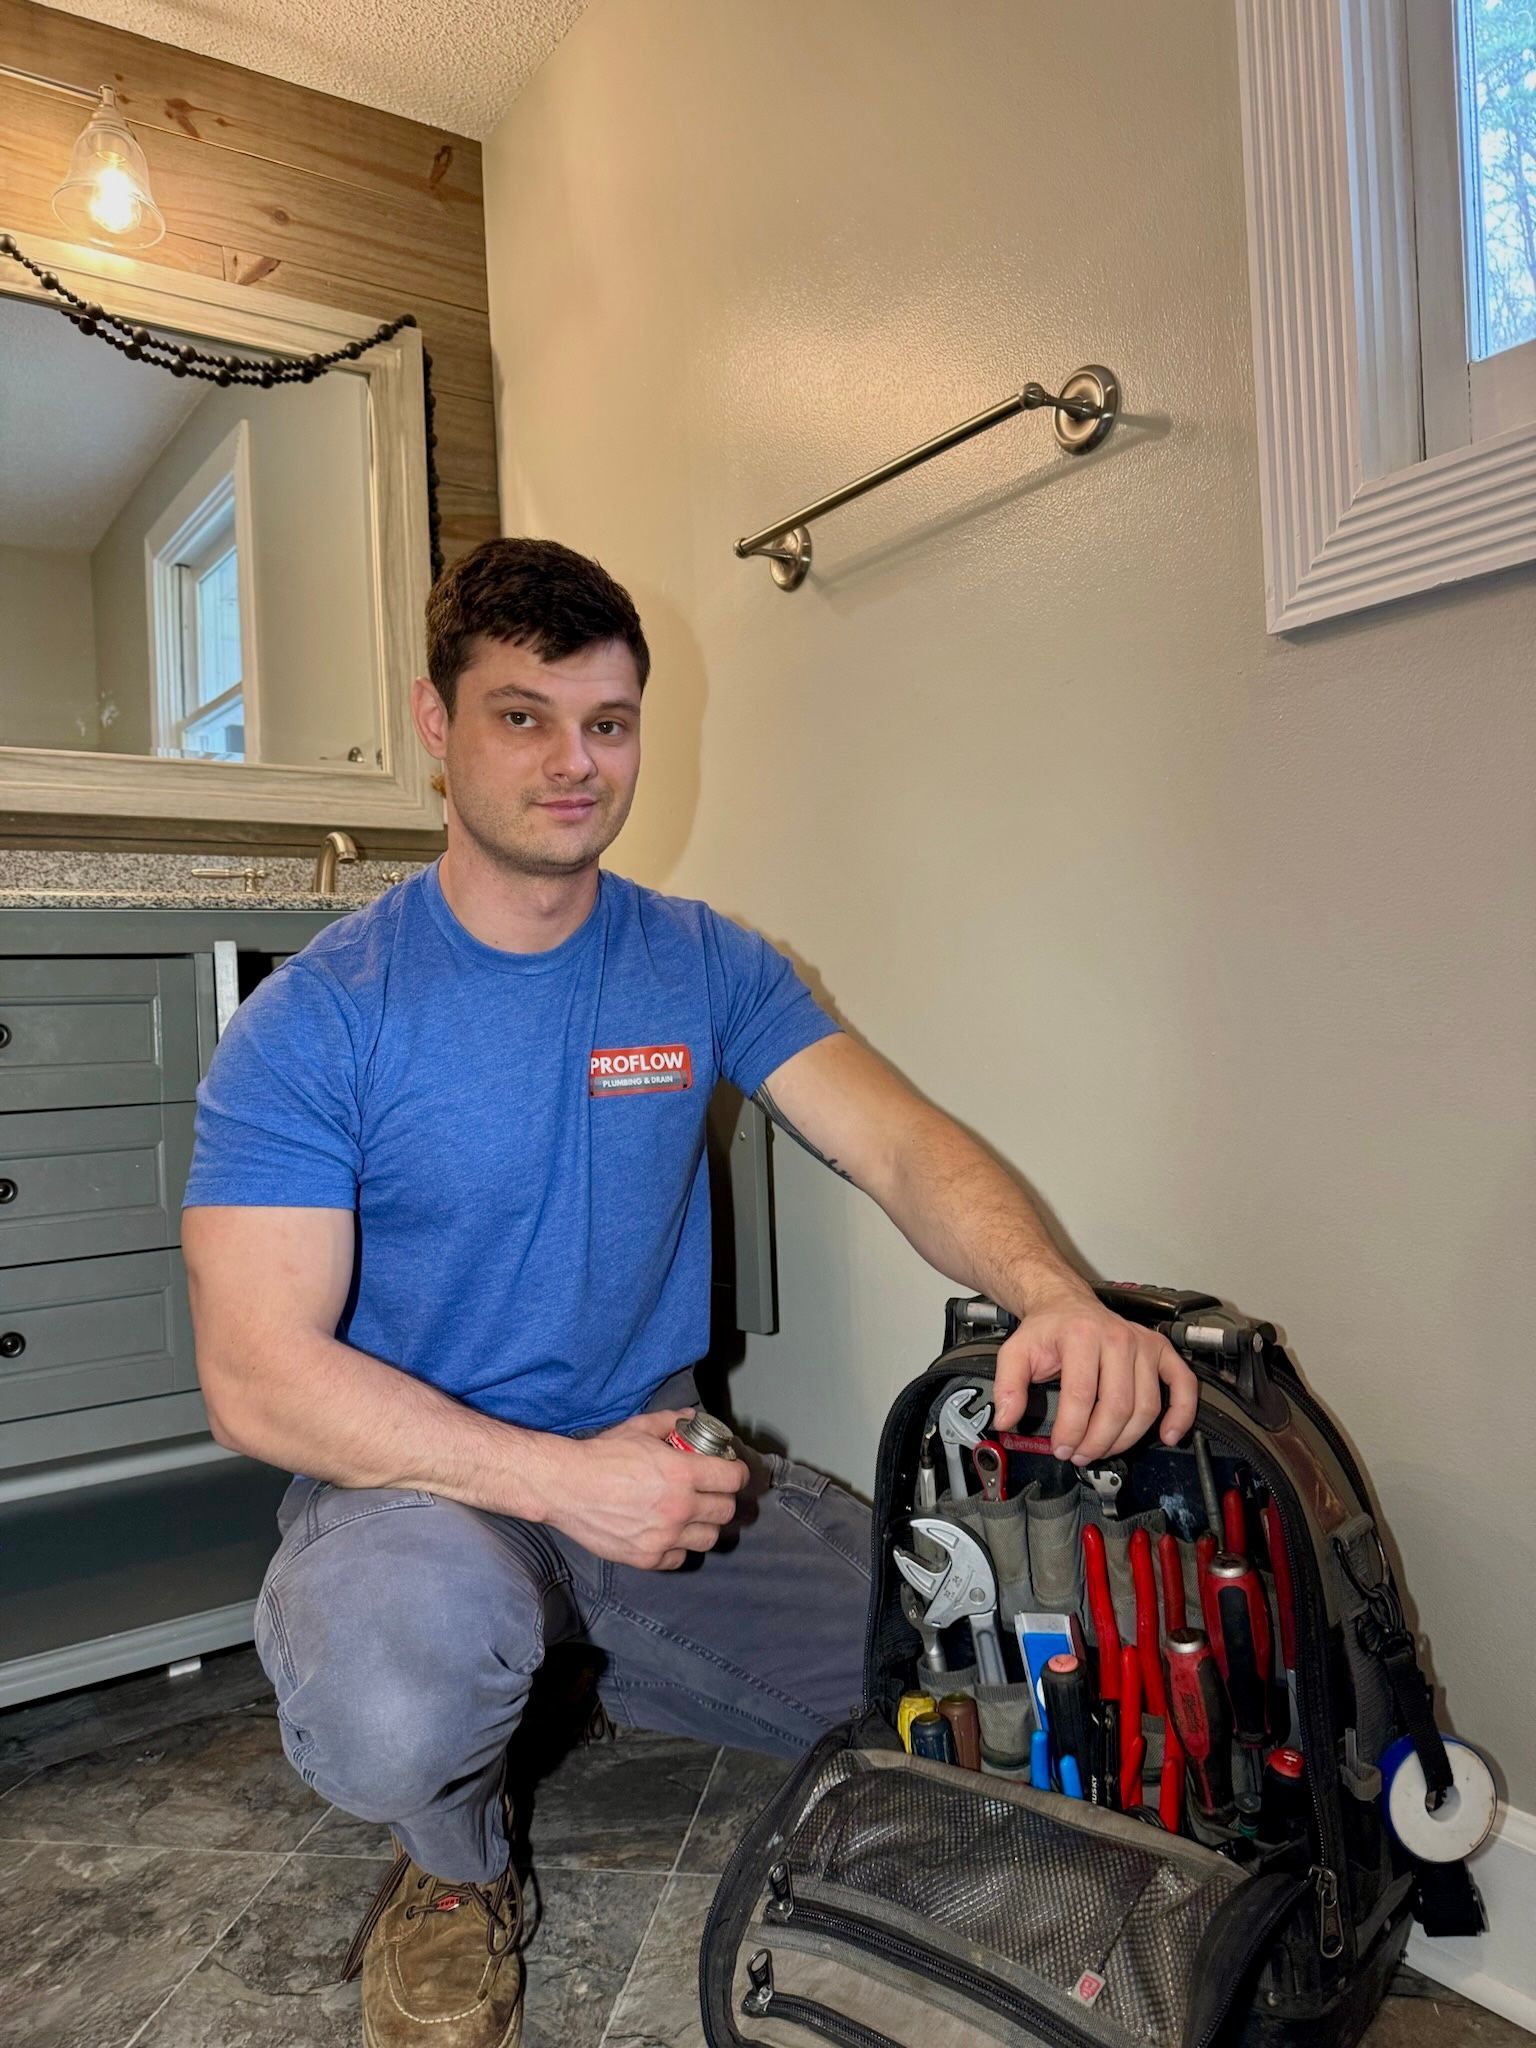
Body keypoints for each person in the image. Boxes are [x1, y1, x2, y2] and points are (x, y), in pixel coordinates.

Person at [181, 536, 1197, 2048]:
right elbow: (257, 1374)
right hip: (416, 1490)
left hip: (666, 1467)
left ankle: (583, 1662)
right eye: (523, 716)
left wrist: (1055, 1291)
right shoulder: (322, 1018)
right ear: (436, 723)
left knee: (955, 1699)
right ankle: (456, 1870)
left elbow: (900, 1143)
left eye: (609, 722)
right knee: (397, 1699)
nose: (575, 763)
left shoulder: (701, 963)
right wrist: (557, 1485)